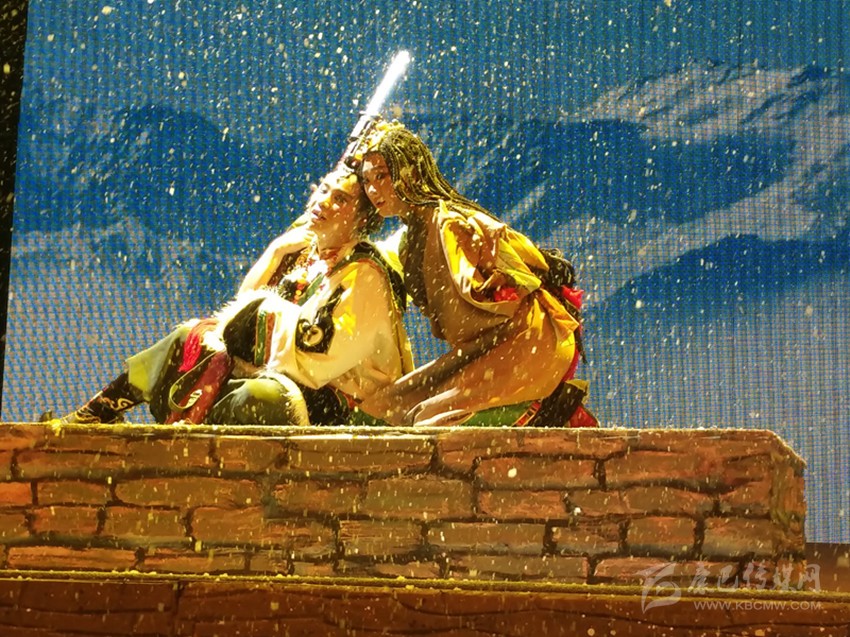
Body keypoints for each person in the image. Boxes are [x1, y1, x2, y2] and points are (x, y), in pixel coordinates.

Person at [45, 165, 412, 426]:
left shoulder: (364, 274)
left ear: (362, 219)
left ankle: (191, 435)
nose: (323, 202)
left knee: (259, 399)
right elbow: (235, 317)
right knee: (190, 339)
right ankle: (99, 411)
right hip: (283, 375)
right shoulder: (308, 257)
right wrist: (276, 252)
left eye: (340, 199)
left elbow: (324, 354)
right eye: (323, 190)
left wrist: (265, 316)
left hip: (335, 402)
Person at [355, 119, 596, 428]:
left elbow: (516, 272)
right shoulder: (413, 237)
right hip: (485, 346)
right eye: (366, 181)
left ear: (410, 172)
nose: (373, 189)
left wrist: (505, 281)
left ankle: (544, 408)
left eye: (381, 176)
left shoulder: (450, 224)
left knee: (427, 418)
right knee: (386, 407)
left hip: (524, 342)